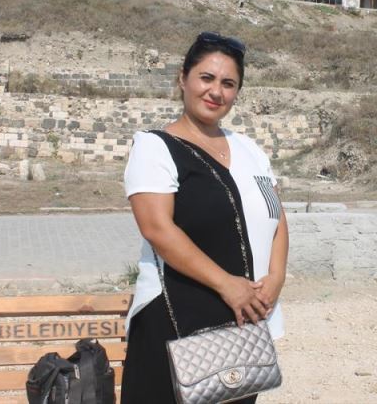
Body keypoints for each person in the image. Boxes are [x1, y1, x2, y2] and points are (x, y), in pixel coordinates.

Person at [121, 32, 289, 404]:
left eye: (228, 83)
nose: (216, 91)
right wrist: (227, 284)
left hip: (243, 322)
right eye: (206, 78)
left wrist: (276, 278)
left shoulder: (249, 149)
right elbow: (157, 229)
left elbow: (276, 215)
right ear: (183, 78)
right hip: (175, 320)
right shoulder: (154, 147)